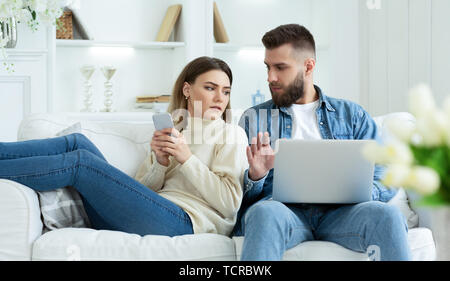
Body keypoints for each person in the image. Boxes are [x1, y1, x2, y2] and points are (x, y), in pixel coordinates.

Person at [0, 56, 249, 237]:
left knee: (81, 162)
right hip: (149, 213)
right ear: (187, 89)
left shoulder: (231, 134)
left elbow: (229, 204)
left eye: (226, 91)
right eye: (210, 88)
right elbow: (144, 189)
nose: (220, 98)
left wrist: (187, 159)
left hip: (186, 222)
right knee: (78, 143)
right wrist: (160, 164)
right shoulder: (175, 129)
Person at [232, 24, 411, 261]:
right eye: (268, 67)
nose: (270, 77)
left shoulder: (352, 114)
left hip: (344, 215)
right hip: (282, 213)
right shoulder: (254, 118)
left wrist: (361, 193)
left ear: (308, 66)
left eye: (280, 68)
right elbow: (235, 196)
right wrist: (256, 177)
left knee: (387, 215)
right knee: (263, 212)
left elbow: (385, 173)